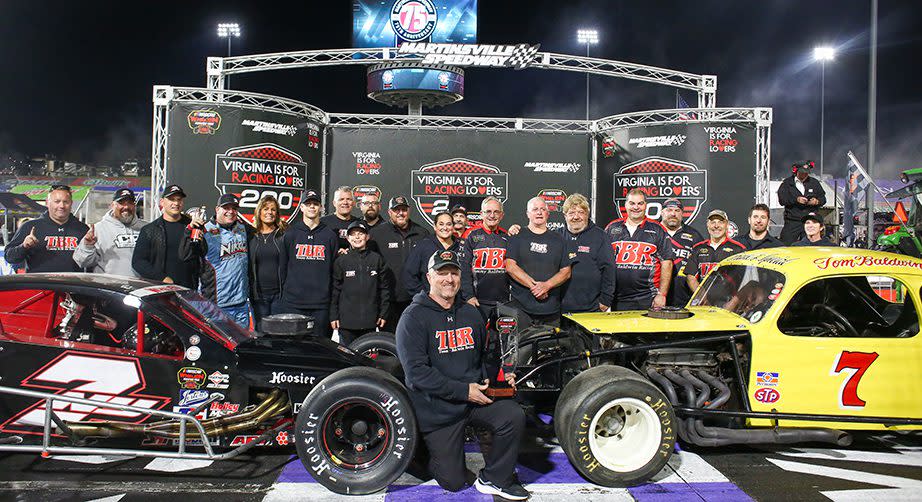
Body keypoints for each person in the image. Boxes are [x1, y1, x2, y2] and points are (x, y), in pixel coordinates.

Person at [396, 250, 528, 500]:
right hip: (438, 410)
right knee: (454, 482)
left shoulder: (470, 313)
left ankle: (495, 478)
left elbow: (484, 357)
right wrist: (464, 391)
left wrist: (499, 378)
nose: (449, 279)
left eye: (454, 273)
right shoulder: (413, 318)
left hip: (472, 402)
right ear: (429, 277)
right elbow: (416, 375)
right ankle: (421, 452)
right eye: (442, 273)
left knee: (512, 414)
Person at [181, 194, 251, 328]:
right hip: (216, 304)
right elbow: (185, 255)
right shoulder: (204, 229)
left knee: (242, 345)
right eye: (226, 208)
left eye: (234, 208)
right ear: (217, 209)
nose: (230, 211)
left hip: (241, 304)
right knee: (218, 346)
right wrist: (189, 231)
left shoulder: (243, 229)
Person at [279, 189, 339, 338]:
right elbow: (283, 268)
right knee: (293, 346)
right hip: (293, 303)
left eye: (315, 204)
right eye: (308, 203)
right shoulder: (291, 234)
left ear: (321, 208)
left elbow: (334, 271)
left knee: (319, 347)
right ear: (302, 208)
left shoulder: (330, 235)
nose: (312, 206)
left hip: (321, 304)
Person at [505, 197, 572, 325]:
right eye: (535, 209)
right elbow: (510, 266)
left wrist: (546, 286)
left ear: (548, 213)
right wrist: (536, 288)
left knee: (551, 344)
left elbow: (566, 272)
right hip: (521, 309)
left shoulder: (559, 239)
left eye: (543, 209)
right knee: (522, 345)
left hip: (551, 310)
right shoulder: (516, 236)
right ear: (527, 214)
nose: (539, 212)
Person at [605, 189, 675, 310]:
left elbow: (667, 263)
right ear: (626, 205)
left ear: (645, 205)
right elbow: (603, 261)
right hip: (616, 297)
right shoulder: (612, 228)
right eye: (632, 203)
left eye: (640, 203)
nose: (636, 207)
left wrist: (662, 295)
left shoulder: (657, 229)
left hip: (648, 297)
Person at [369, 195, 430, 328]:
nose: (401, 213)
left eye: (404, 209)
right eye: (397, 210)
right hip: (388, 299)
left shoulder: (422, 233)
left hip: (415, 298)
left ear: (409, 211)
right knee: (389, 342)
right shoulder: (377, 234)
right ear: (389, 212)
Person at [330, 221, 391, 345]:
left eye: (360, 234)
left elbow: (384, 289)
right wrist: (333, 315)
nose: (357, 237)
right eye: (353, 234)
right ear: (347, 238)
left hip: (370, 321)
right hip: (346, 323)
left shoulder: (377, 259)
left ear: (367, 237)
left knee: (368, 359)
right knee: (347, 358)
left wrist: (383, 313)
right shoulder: (341, 261)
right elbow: (335, 291)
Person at [6, 184, 89, 273]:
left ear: (71, 203)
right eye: (57, 201)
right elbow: (10, 257)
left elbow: (91, 262)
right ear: (47, 203)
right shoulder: (30, 227)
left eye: (66, 202)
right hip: (40, 285)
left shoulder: (83, 229)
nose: (61, 206)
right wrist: (24, 247)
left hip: (72, 285)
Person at [133, 185, 199, 288]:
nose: (176, 203)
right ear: (162, 202)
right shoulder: (149, 230)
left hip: (189, 289)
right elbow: (138, 262)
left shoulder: (192, 226)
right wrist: (162, 278)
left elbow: (202, 255)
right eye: (171, 199)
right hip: (160, 290)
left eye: (179, 199)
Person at [558, 194, 615, 313]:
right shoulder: (556, 236)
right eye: (571, 213)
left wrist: (605, 300)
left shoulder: (601, 237)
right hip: (560, 307)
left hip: (592, 307)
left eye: (581, 212)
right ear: (565, 216)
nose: (576, 217)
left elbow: (609, 269)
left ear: (587, 214)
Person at [73, 188, 146, 277]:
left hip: (141, 288)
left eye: (130, 203)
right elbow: (82, 262)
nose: (126, 207)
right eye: (121, 203)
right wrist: (87, 246)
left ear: (134, 206)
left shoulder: (146, 228)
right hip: (109, 287)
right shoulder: (98, 229)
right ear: (112, 205)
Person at [462, 197, 511, 321]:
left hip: (504, 302)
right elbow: (464, 269)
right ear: (481, 214)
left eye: (496, 212)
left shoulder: (508, 237)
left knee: (506, 339)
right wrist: (468, 296)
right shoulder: (471, 236)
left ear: (502, 215)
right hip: (478, 302)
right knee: (478, 339)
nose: (492, 215)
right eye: (488, 211)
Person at [404, 211, 467, 298]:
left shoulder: (462, 246)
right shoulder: (423, 246)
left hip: (458, 302)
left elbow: (468, 275)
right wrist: (424, 296)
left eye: (448, 224)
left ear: (453, 226)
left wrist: (466, 296)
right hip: (430, 302)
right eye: (441, 224)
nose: (445, 228)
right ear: (435, 226)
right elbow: (409, 275)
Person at [686, 210, 748, 293]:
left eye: (720, 222)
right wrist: (701, 296)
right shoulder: (698, 248)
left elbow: (746, 280)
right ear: (707, 225)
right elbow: (691, 276)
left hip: (729, 302)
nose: (716, 226)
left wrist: (733, 302)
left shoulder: (738, 249)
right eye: (713, 222)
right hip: (702, 303)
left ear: (727, 225)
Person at [249, 194, 287, 325]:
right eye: (266, 209)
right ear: (259, 211)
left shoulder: (283, 235)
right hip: (259, 297)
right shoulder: (251, 236)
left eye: (273, 209)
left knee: (278, 334)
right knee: (262, 335)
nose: (269, 212)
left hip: (279, 296)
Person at [658, 197, 704, 308]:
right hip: (654, 297)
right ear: (661, 212)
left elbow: (702, 267)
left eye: (677, 211)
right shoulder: (652, 231)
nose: (673, 214)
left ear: (682, 214)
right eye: (669, 210)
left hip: (684, 299)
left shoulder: (695, 235)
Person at [777, 160, 825, 244]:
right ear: (796, 171)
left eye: (806, 173)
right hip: (792, 220)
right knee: (785, 244)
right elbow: (782, 200)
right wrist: (796, 200)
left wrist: (816, 201)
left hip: (810, 220)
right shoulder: (787, 184)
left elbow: (823, 198)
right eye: (802, 172)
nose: (805, 175)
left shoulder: (814, 183)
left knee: (811, 244)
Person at [320, 186, 359, 252]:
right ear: (334, 203)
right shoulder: (322, 223)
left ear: (354, 203)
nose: (345, 202)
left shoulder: (359, 223)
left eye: (349, 199)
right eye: (341, 199)